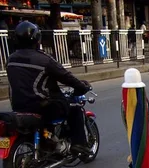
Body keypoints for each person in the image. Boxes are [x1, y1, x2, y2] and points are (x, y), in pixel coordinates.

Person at [6, 21, 92, 156]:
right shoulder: (44, 60)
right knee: (75, 108)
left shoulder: (11, 59)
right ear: (37, 38)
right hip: (41, 106)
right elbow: (66, 77)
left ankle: (50, 140)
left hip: (18, 106)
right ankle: (78, 144)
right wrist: (82, 86)